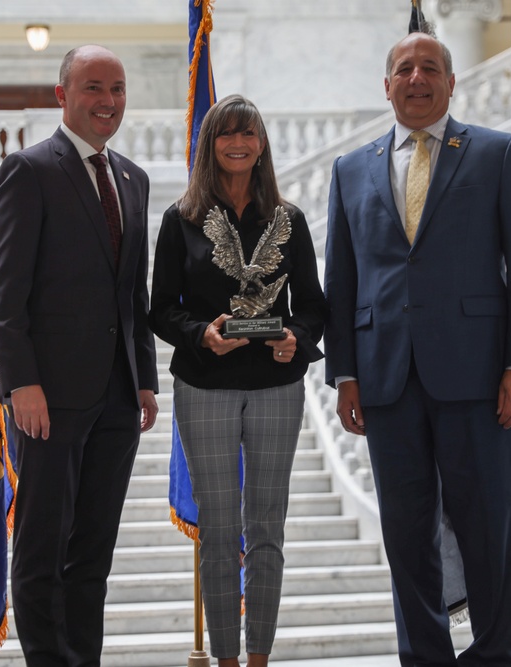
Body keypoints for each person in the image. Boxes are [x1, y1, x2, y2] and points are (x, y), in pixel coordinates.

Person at [323, 28, 511, 667]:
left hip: (481, 378)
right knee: (405, 533)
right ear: (387, 85)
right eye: (404, 69)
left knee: (491, 527)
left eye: (429, 68)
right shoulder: (349, 170)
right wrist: (344, 373)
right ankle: (424, 658)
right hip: (385, 380)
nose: (416, 79)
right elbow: (342, 281)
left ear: (452, 82)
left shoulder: (498, 154)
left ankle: (495, 655)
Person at [0, 44, 159, 666]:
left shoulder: (133, 179)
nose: (108, 101)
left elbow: (132, 292)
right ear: (63, 95)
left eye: (117, 88)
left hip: (118, 398)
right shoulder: (28, 170)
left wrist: (144, 378)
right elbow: (3, 295)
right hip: (48, 399)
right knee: (42, 550)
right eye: (93, 87)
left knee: (92, 555)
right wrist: (20, 383)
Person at [149, 94, 327, 667]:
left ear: (262, 144)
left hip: (276, 386)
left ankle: (258, 659)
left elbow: (314, 305)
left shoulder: (289, 220)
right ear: (210, 144)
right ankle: (226, 658)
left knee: (267, 530)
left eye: (248, 134)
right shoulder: (180, 220)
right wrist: (202, 334)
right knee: (221, 532)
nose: (238, 143)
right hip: (205, 387)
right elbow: (160, 309)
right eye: (226, 134)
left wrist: (296, 336)